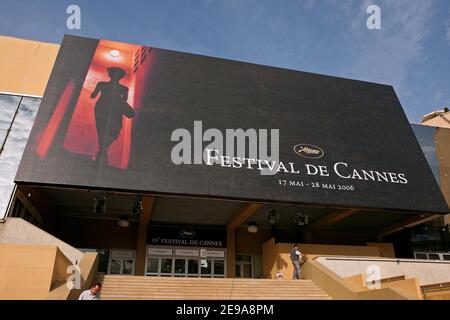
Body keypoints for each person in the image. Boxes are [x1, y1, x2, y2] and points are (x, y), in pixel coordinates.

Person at [90, 67, 135, 163]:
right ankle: (102, 154)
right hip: (105, 109)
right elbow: (124, 100)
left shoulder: (119, 88)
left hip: (109, 109)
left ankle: (101, 153)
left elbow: (93, 95)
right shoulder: (120, 88)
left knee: (111, 130)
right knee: (105, 130)